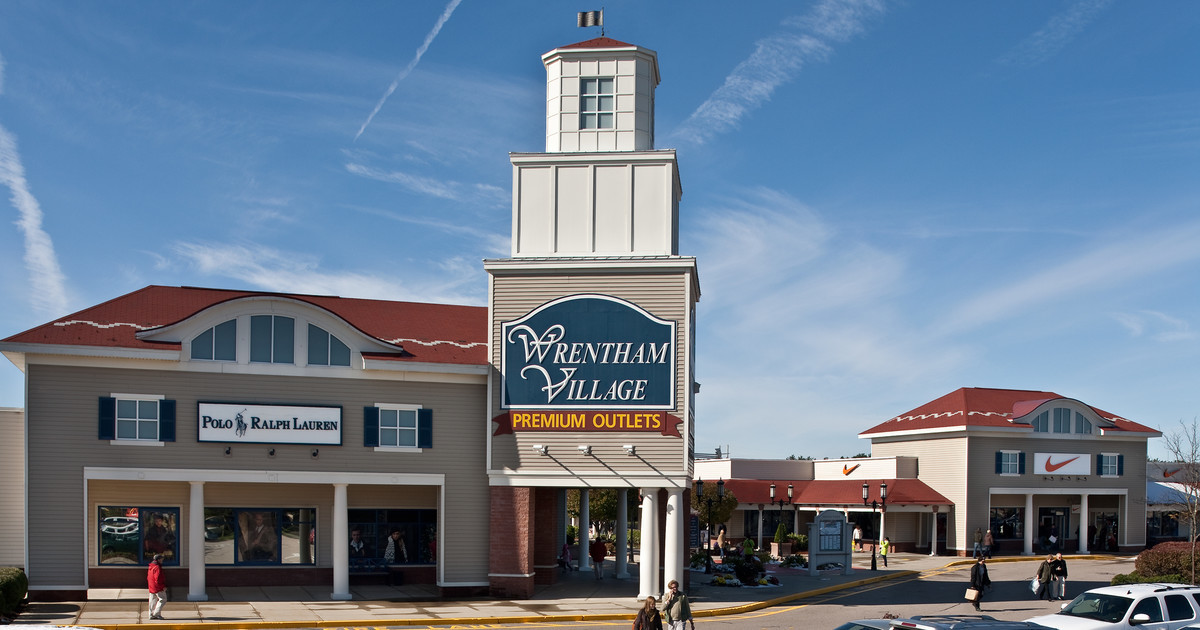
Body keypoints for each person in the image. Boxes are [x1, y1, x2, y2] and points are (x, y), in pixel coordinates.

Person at [147, 553, 167, 620]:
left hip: (151, 586)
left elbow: (149, 577)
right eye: (161, 559)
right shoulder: (157, 567)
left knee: (152, 601)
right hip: (157, 587)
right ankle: (156, 613)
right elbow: (158, 579)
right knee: (163, 599)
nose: (162, 560)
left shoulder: (151, 566)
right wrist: (162, 586)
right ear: (158, 559)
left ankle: (151, 614)